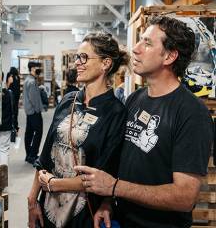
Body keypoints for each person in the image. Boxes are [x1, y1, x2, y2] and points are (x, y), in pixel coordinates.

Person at [75, 15, 214, 228]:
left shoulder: (192, 114)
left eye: (147, 43)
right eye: (140, 40)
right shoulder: (135, 100)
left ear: (169, 56)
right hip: (122, 220)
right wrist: (107, 202)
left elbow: (185, 197)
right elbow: (123, 163)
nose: (135, 49)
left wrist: (114, 187)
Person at [27, 33, 130, 228]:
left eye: (84, 57)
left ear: (105, 63)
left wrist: (53, 184)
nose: (77, 63)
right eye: (77, 57)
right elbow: (46, 155)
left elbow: (101, 175)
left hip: (83, 213)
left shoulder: (116, 112)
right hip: (47, 206)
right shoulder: (68, 100)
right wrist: (32, 200)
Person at [23, 61, 43, 164]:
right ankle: (33, 155)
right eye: (36, 67)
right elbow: (33, 99)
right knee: (38, 132)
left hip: (29, 111)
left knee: (29, 133)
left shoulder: (29, 79)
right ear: (31, 68)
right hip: (34, 111)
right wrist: (38, 109)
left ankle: (28, 155)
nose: (38, 69)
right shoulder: (32, 81)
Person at [0, 72, 14, 166]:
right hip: (6, 125)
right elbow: (13, 111)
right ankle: (3, 175)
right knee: (4, 149)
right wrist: (15, 125)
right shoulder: (8, 93)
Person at [6, 66, 20, 132]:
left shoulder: (10, 75)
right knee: (15, 111)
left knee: (13, 111)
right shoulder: (17, 77)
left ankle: (14, 126)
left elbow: (7, 86)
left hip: (12, 96)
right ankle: (15, 126)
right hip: (15, 96)